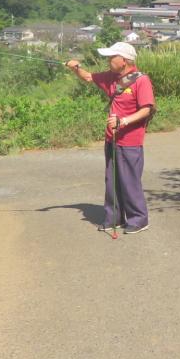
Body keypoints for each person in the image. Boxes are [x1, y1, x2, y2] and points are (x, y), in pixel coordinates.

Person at [66, 42, 155, 234]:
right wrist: (76, 68)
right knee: (112, 180)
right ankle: (114, 217)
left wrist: (123, 122)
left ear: (124, 60)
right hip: (111, 139)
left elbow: (146, 109)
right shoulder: (111, 77)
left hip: (130, 140)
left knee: (129, 181)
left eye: (111, 57)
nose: (108, 60)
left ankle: (139, 219)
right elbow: (89, 77)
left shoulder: (141, 80)